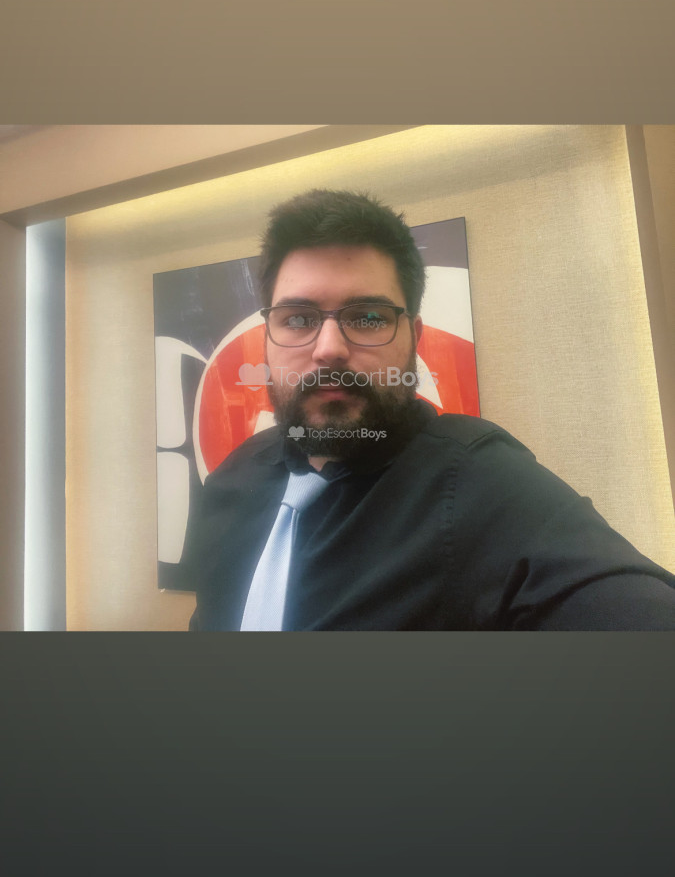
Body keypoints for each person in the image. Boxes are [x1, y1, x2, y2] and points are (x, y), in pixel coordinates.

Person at [187, 188, 675, 631]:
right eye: (298, 319)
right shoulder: (231, 480)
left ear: (414, 338)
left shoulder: (485, 487)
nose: (329, 349)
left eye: (369, 317)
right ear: (267, 338)